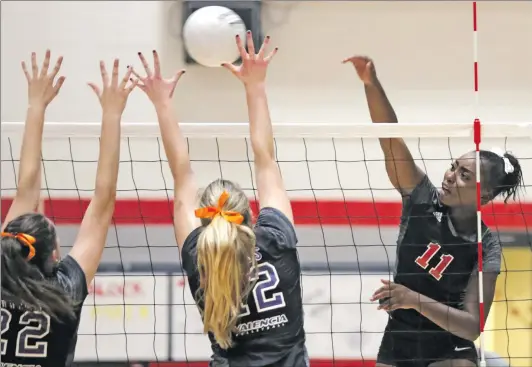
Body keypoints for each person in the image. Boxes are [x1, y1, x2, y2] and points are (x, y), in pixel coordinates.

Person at [131, 33, 307, 367]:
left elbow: (182, 177)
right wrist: (255, 86)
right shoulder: (276, 239)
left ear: (203, 218)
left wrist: (162, 104)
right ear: (250, 214)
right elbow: (265, 157)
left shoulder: (200, 257)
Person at [343, 56, 523, 367]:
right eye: (454, 167)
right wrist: (371, 84)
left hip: (449, 347)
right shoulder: (422, 198)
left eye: (465, 175)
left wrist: (412, 299)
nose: (450, 176)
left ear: (486, 194)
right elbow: (390, 139)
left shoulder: (486, 244)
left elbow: (471, 326)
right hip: (399, 340)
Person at [1, 51, 137, 367]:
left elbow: (26, 190)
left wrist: (36, 106)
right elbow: (102, 203)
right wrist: (113, 114)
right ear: (54, 255)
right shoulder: (66, 289)